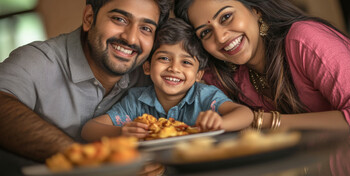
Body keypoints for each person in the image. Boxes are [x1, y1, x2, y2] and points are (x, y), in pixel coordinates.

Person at [174, 0, 350, 175]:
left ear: (255, 9)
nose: (221, 37)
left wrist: (263, 121)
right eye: (206, 32)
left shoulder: (304, 41)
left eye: (226, 17)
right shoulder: (230, 75)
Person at [0, 0, 171, 174]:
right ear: (89, 18)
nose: (131, 38)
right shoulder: (38, 59)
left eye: (146, 28)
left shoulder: (151, 73)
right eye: (119, 19)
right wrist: (89, 160)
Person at [81, 18, 254, 142]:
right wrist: (122, 132)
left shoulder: (205, 96)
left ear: (199, 74)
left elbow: (245, 114)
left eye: (186, 62)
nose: (174, 68)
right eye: (164, 58)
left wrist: (221, 122)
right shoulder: (136, 101)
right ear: (147, 67)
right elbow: (89, 129)